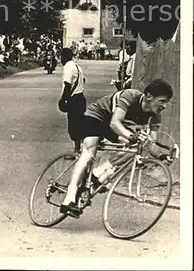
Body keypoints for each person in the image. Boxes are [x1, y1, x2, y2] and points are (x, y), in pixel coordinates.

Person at [60, 79, 173, 215]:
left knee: (133, 148)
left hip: (114, 127)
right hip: (97, 117)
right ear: (149, 96)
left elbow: (150, 143)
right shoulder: (130, 96)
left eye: (166, 102)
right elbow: (115, 123)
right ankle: (69, 198)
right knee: (89, 152)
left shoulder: (155, 115)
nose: (165, 106)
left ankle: (97, 174)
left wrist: (162, 156)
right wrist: (131, 136)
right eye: (162, 101)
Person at [58, 48, 86, 152]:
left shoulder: (68, 67)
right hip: (80, 97)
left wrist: (63, 99)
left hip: (74, 99)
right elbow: (83, 80)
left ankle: (77, 150)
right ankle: (79, 148)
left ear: (64, 57)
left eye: (61, 57)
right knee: (79, 123)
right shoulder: (77, 66)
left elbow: (67, 85)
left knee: (74, 125)